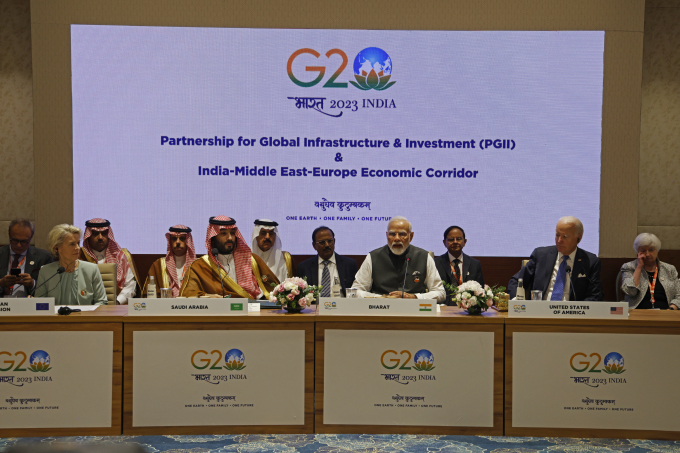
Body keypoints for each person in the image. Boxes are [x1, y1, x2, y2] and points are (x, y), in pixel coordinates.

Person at [508, 216, 603, 301]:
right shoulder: (541, 255)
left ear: (578, 238)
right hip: (540, 313)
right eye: (557, 235)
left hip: (571, 316)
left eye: (565, 237)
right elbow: (516, 281)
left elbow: (595, 295)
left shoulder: (590, 261)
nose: (559, 241)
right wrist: (517, 302)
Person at [352, 216, 446, 302]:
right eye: (392, 234)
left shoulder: (424, 257)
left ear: (411, 236)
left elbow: (440, 293)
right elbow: (354, 292)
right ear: (387, 235)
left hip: (414, 312)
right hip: (381, 311)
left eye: (402, 234)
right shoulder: (373, 257)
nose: (396, 238)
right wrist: (381, 298)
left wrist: (414, 297)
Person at [181, 216, 277, 298]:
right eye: (223, 233)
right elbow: (186, 295)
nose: (230, 238)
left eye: (232, 233)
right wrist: (206, 297)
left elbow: (276, 289)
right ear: (213, 238)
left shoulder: (252, 260)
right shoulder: (199, 266)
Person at [34, 224, 107, 305]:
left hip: (84, 317)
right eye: (72, 244)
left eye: (78, 243)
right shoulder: (45, 271)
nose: (78, 248)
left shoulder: (91, 269)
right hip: (56, 317)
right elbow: (39, 303)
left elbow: (101, 302)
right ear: (56, 248)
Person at [79, 218, 140, 304]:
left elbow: (130, 285)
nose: (100, 237)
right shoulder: (79, 256)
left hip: (117, 307)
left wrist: (118, 301)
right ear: (88, 236)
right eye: (95, 234)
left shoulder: (121, 255)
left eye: (104, 233)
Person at [620, 233, 680, 309]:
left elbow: (679, 295)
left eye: (651, 250)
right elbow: (631, 292)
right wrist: (639, 267)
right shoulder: (629, 267)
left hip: (666, 313)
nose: (647, 254)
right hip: (637, 313)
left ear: (657, 250)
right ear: (638, 251)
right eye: (643, 251)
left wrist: (671, 309)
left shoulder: (670, 269)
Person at [297, 226, 358, 299]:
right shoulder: (304, 267)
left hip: (342, 308)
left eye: (330, 241)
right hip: (314, 309)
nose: (327, 245)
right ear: (314, 246)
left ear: (334, 241)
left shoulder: (349, 264)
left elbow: (355, 292)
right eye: (322, 242)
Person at [1, 219, 53, 297]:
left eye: (24, 241)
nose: (19, 245)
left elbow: (51, 288)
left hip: (29, 306)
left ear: (31, 238)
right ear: (9, 236)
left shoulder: (43, 257)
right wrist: (1, 284)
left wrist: (32, 284)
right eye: (15, 240)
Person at [434, 225, 484, 305]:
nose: (455, 242)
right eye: (451, 239)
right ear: (444, 243)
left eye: (459, 239)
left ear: (465, 242)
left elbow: (480, 291)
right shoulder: (435, 263)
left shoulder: (474, 264)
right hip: (443, 308)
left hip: (468, 309)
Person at [142, 225, 197, 297]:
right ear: (170, 242)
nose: (178, 242)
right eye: (174, 239)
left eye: (182, 238)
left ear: (188, 241)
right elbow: (148, 295)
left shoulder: (197, 265)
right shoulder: (158, 265)